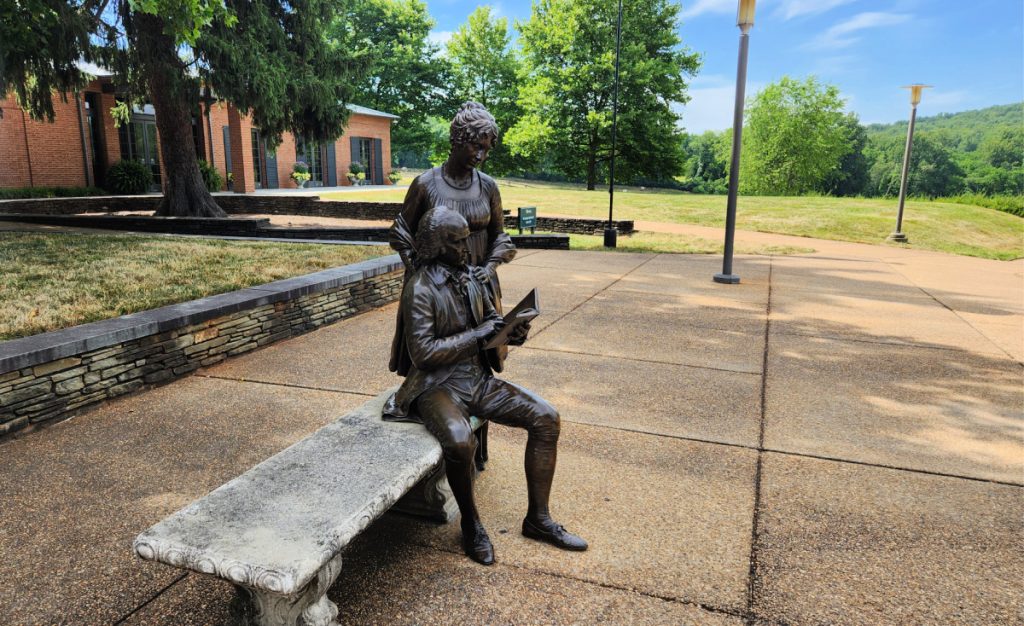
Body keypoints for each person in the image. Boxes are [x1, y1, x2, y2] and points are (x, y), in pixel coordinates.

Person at [383, 207, 587, 566]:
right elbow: (424, 353)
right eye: (459, 241)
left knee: (546, 418)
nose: (468, 247)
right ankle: (472, 525)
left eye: (467, 239)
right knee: (460, 441)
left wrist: (511, 331)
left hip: (476, 379)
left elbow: (491, 321)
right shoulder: (420, 288)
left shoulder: (470, 276)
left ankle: (538, 520)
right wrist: (479, 336)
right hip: (435, 387)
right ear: (438, 245)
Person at [388, 101, 515, 379]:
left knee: (480, 352)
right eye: (476, 147)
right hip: (434, 285)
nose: (481, 155)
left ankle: (476, 402)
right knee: (430, 356)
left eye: (487, 149)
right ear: (458, 140)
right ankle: (424, 403)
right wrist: (419, 272)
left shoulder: (488, 186)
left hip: (479, 281)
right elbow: (400, 232)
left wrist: (489, 269)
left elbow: (500, 236)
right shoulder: (425, 184)